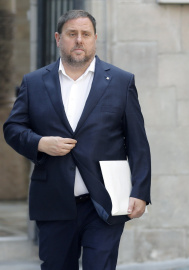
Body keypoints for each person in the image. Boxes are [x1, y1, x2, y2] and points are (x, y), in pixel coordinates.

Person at [3, 10, 151, 269]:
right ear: (59, 38)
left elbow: (138, 142)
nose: (79, 40)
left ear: (95, 38)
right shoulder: (34, 82)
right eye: (72, 34)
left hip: (104, 202)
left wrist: (140, 191)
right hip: (54, 202)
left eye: (85, 34)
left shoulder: (120, 81)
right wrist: (40, 143)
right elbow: (13, 128)